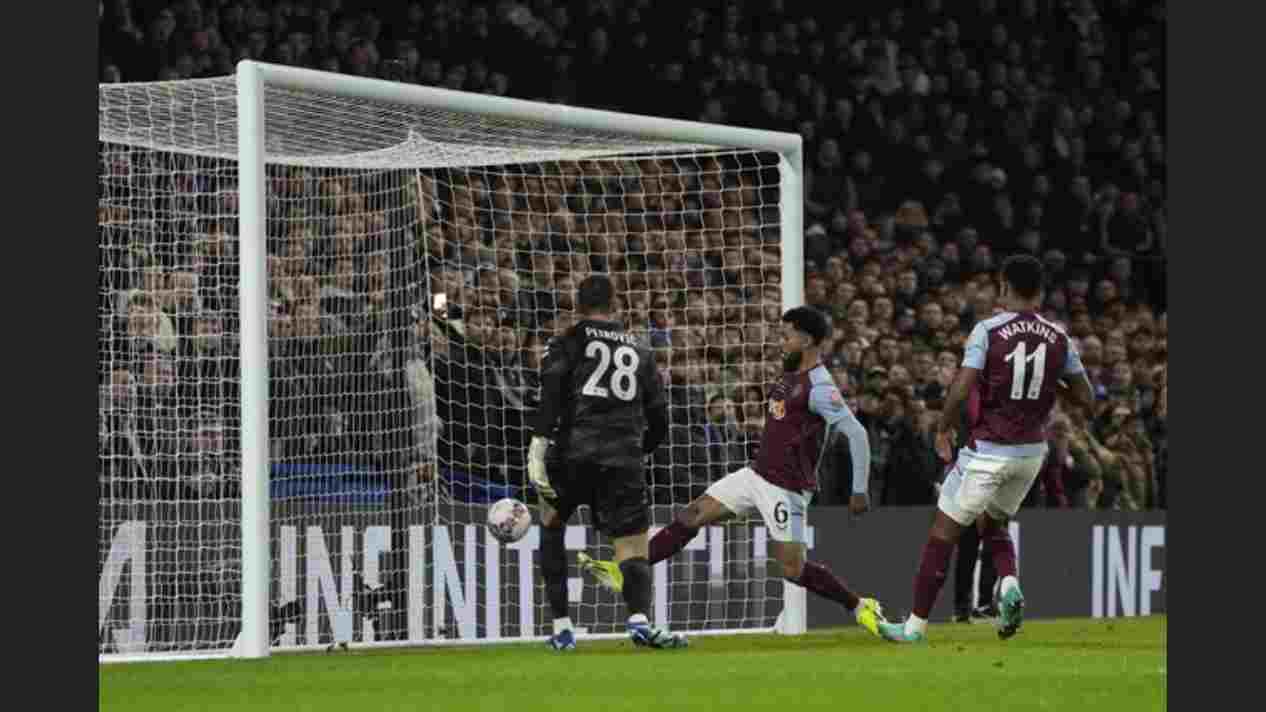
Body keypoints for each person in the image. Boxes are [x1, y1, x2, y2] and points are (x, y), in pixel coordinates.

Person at [577, 306, 887, 636]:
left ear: (807, 339)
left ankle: (859, 605)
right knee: (692, 515)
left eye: (786, 336)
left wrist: (859, 488)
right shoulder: (789, 372)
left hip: (787, 488)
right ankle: (625, 572)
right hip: (756, 474)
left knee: (793, 569)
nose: (780, 342)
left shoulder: (820, 387)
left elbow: (857, 434)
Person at [878, 255, 1094, 643]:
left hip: (988, 450)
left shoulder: (989, 330)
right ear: (1041, 291)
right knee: (992, 523)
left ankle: (913, 627)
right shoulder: (1060, 338)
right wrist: (1050, 382)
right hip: (1031, 454)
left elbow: (962, 387)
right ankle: (1008, 583)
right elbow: (1086, 397)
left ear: (1004, 287)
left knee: (942, 533)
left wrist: (943, 426)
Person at [527, 274, 684, 651]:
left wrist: (537, 447)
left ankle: (563, 628)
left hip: (572, 452)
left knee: (551, 525)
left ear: (578, 305)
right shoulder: (640, 350)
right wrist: (640, 449)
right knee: (632, 546)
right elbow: (660, 415)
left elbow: (550, 396)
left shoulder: (566, 342)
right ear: (615, 303)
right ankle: (639, 622)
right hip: (623, 458)